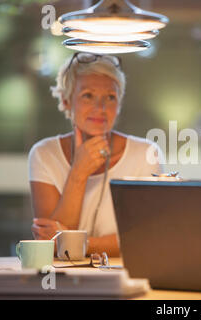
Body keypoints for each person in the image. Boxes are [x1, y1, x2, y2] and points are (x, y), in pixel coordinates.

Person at [29, 53, 162, 257]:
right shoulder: (44, 154)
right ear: (66, 101)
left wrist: (81, 244)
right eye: (88, 95)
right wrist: (78, 174)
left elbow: (146, 237)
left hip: (125, 276)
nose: (100, 108)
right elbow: (51, 248)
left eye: (110, 97)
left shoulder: (146, 154)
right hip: (63, 281)